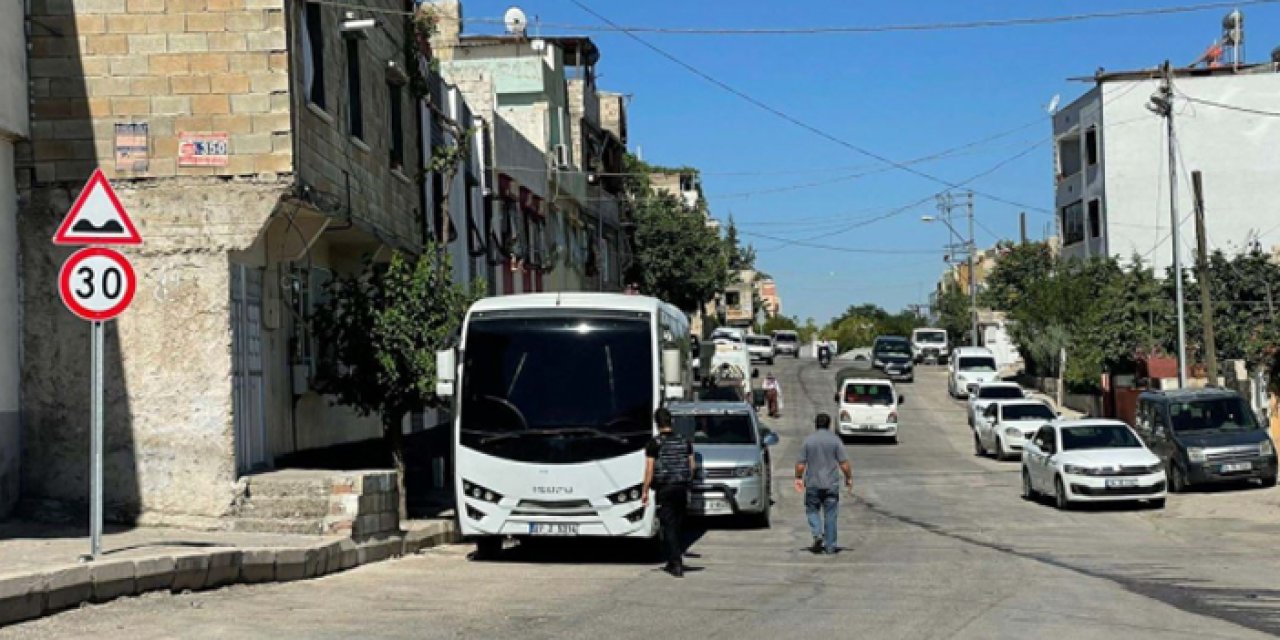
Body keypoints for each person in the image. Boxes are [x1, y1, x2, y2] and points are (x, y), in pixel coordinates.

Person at [643, 407, 695, 577]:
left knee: (668, 526)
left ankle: (676, 563)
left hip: (665, 488)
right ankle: (673, 560)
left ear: (657, 424)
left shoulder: (654, 443)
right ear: (671, 421)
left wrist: (644, 491)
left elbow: (649, 470)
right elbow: (692, 466)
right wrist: (687, 481)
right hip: (681, 487)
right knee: (678, 525)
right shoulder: (684, 441)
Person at [795, 413, 852, 555]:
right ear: (829, 424)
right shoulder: (835, 441)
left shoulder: (808, 441)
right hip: (831, 484)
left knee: (812, 510)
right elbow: (844, 463)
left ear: (816, 424)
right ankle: (831, 546)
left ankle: (817, 533)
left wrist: (798, 478)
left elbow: (800, 464)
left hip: (813, 483)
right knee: (831, 514)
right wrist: (848, 478)